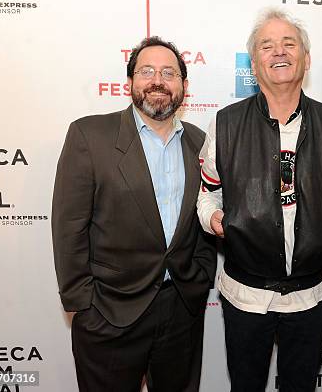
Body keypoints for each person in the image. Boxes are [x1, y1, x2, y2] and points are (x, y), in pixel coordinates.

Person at [197, 9, 322, 391]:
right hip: (245, 293)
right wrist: (216, 221)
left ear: (306, 58)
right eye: (267, 45)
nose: (278, 52)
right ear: (255, 63)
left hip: (310, 294)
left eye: (289, 43)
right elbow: (208, 194)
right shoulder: (226, 122)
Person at [52, 36, 216, 392]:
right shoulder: (89, 135)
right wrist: (84, 304)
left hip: (180, 312)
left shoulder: (200, 141)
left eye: (169, 73)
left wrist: (200, 280)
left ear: (184, 86)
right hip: (109, 313)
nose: (158, 80)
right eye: (147, 71)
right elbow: (69, 228)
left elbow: (206, 216)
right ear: (130, 83)